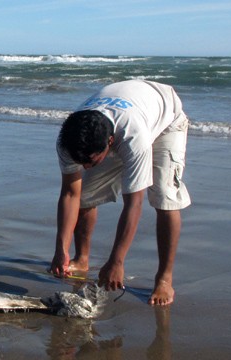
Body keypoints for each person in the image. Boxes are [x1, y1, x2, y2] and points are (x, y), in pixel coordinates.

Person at [50, 80, 191, 306]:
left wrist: (117, 261)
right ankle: (81, 258)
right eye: (81, 162)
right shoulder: (68, 140)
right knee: (84, 194)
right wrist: (60, 250)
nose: (86, 167)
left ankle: (164, 278)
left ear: (110, 143)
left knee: (164, 197)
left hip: (166, 121)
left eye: (91, 161)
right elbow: (70, 195)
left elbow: (134, 204)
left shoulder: (134, 139)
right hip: (130, 109)